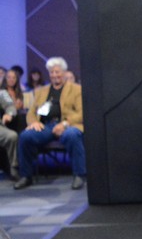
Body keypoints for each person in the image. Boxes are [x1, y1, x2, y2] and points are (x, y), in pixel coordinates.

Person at [14, 57, 87, 190]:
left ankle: (79, 175)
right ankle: (26, 176)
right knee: (25, 136)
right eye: (52, 72)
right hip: (46, 126)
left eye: (57, 72)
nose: (55, 75)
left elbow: (82, 113)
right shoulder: (42, 91)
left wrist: (65, 124)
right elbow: (32, 112)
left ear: (64, 73)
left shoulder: (76, 89)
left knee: (72, 135)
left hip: (68, 125)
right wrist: (34, 122)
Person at [0, 75, 19, 180]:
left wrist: (9, 114)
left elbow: (10, 106)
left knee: (12, 136)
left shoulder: (2, 93)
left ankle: (14, 167)